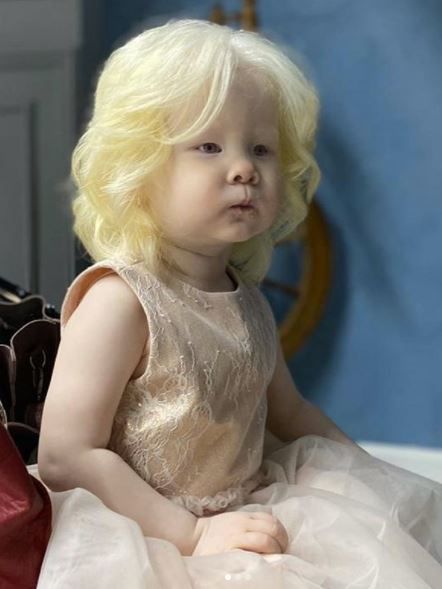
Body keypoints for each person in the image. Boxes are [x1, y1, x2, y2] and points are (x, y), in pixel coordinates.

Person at [36, 19, 441, 588]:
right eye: (208, 146)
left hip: (244, 506)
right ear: (139, 167)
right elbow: (67, 456)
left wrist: (374, 481)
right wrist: (192, 535)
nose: (245, 169)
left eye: (261, 148)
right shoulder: (121, 301)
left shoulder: (245, 300)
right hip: (149, 528)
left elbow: (292, 414)